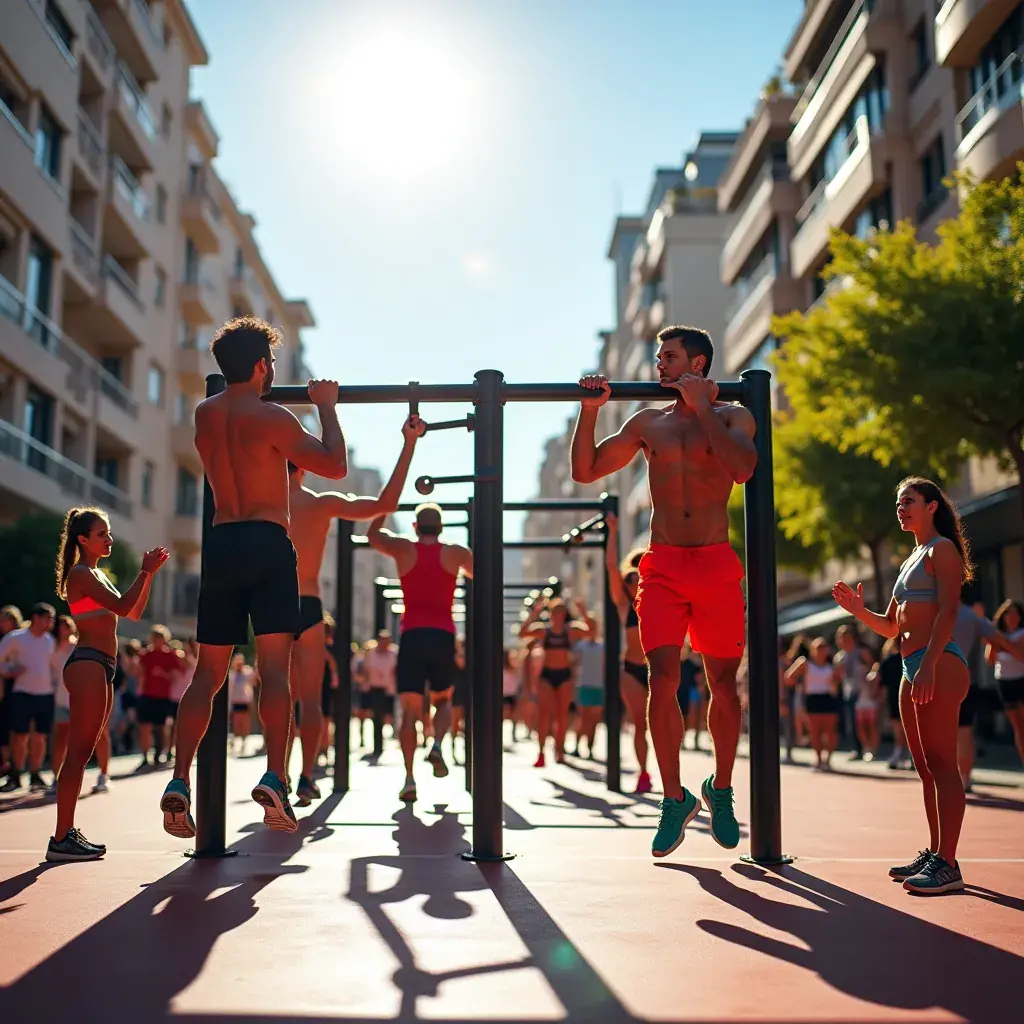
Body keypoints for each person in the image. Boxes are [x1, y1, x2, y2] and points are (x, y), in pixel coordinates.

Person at [572, 325, 756, 857]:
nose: (659, 364)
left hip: (716, 564)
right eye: (658, 356)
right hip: (663, 567)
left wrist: (702, 409)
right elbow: (585, 472)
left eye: (669, 357)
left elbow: (743, 468)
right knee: (664, 677)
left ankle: (719, 789)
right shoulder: (647, 421)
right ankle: (673, 797)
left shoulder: (732, 416)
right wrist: (590, 412)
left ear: (697, 363)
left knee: (724, 686)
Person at [160, 316, 347, 839]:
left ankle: (178, 779)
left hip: (222, 543)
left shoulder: (204, 415)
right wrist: (326, 408)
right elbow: (334, 466)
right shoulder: (274, 417)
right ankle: (275, 776)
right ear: (263, 366)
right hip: (267, 542)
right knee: (274, 670)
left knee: (207, 674)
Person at [834, 476, 973, 895]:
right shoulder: (909, 559)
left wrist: (929, 664)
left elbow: (949, 610)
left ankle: (948, 864)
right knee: (925, 770)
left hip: (939, 663)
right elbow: (892, 626)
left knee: (943, 765)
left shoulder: (941, 550)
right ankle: (936, 853)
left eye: (909, 501)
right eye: (898, 503)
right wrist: (860, 611)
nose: (901, 508)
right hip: (909, 664)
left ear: (932, 506)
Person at [286, 413, 424, 806]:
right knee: (309, 699)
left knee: (278, 691)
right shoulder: (318, 504)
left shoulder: (256, 506)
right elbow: (386, 503)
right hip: (307, 603)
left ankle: (276, 773)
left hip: (270, 603)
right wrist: (409, 444)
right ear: (303, 467)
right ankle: (306, 777)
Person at [49, 507, 168, 860]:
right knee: (79, 751)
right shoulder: (82, 574)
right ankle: (61, 838)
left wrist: (148, 576)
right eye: (102, 534)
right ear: (82, 539)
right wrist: (144, 571)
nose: (109, 538)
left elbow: (132, 612)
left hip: (100, 665)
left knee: (84, 750)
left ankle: (65, 834)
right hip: (87, 663)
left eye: (109, 532)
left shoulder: (98, 575)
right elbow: (122, 606)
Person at [367, 503, 473, 803]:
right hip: (442, 636)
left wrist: (385, 504)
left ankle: (410, 778)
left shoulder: (404, 549)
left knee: (411, 710)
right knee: (443, 700)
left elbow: (373, 535)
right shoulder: (454, 553)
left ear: (415, 527)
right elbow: (483, 571)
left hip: (412, 636)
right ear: (441, 528)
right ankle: (437, 743)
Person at [604, 513, 653, 791]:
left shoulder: (658, 600)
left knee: (663, 724)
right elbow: (612, 566)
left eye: (640, 576)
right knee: (639, 723)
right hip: (632, 670)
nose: (634, 581)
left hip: (657, 669)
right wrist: (613, 531)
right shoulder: (624, 606)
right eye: (630, 577)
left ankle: (668, 774)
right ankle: (643, 773)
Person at [952, 596, 1022, 789]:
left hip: (944, 684)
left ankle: (958, 777)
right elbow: (997, 640)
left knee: (952, 732)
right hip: (966, 682)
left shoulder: (932, 614)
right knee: (964, 731)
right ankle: (964, 777)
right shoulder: (971, 617)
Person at [518, 596, 591, 767]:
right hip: (547, 675)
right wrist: (534, 614)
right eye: (555, 611)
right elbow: (522, 633)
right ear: (550, 613)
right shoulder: (544, 630)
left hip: (564, 675)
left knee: (561, 716)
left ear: (565, 613)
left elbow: (590, 630)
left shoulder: (570, 630)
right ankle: (541, 752)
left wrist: (582, 610)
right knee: (544, 715)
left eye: (561, 611)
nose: (558, 615)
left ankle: (560, 751)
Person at [0, 603, 57, 793]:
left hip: (45, 694)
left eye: (52, 618)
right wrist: (9, 671)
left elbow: (53, 667)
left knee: (40, 737)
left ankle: (35, 773)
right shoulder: (16, 638)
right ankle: (16, 774)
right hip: (22, 693)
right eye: (48, 618)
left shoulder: (50, 641)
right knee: (20, 736)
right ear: (36, 618)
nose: (51, 622)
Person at [784, 638, 840, 770]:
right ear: (812, 650)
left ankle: (828, 760)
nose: (821, 650)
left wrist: (835, 683)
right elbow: (788, 677)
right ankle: (819, 759)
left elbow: (838, 680)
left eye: (824, 647)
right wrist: (801, 685)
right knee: (815, 732)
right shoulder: (805, 663)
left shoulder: (832, 664)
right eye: (818, 648)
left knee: (830, 732)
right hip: (812, 698)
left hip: (828, 697)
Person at [135, 625, 182, 769]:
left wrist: (162, 674)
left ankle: (159, 754)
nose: (156, 640)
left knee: (161, 727)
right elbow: (139, 673)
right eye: (154, 637)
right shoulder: (145, 655)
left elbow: (176, 676)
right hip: (146, 694)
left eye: (159, 637)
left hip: (162, 695)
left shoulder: (170, 655)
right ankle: (144, 756)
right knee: (144, 726)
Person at [987, 599, 1024, 766]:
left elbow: (1020, 655)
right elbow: (990, 660)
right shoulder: (997, 635)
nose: (1012, 617)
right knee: (1018, 726)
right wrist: (995, 643)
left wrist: (1003, 642)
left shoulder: (1021, 633)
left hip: (1021, 680)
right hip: (1004, 682)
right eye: (1008, 614)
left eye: (1015, 613)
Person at [47, 615, 78, 796]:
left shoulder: (76, 647)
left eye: (67, 626)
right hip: (58, 699)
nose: (63, 629)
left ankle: (71, 779)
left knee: (77, 742)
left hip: (76, 701)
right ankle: (55, 777)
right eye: (61, 626)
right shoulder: (52, 647)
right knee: (59, 740)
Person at [871, 637, 910, 769]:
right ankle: (904, 754)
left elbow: (882, 685)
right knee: (907, 727)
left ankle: (901, 753)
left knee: (899, 728)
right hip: (907, 697)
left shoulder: (889, 661)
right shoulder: (913, 660)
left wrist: (880, 698)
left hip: (896, 697)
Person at [361, 630, 399, 763]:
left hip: (389, 690)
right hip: (375, 689)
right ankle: (377, 747)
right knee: (376, 719)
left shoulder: (394, 653)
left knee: (388, 718)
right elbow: (366, 671)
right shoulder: (371, 654)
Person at [572, 611, 604, 760]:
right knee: (583, 719)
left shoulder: (603, 647)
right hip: (583, 685)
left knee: (594, 721)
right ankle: (577, 746)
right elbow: (574, 665)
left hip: (598, 687)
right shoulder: (580, 646)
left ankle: (590, 748)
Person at [0, 605, 24, 782]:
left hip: (20, 688)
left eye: (5, 620)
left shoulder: (22, 639)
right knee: (5, 730)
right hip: (7, 689)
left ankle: (15, 767)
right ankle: (7, 765)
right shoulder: (4, 640)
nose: (2, 624)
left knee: (18, 731)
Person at [228, 653, 255, 753]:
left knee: (245, 724)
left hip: (245, 702)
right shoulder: (232, 675)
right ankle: (233, 741)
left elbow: (253, 680)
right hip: (235, 702)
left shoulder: (247, 672)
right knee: (236, 724)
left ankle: (243, 742)